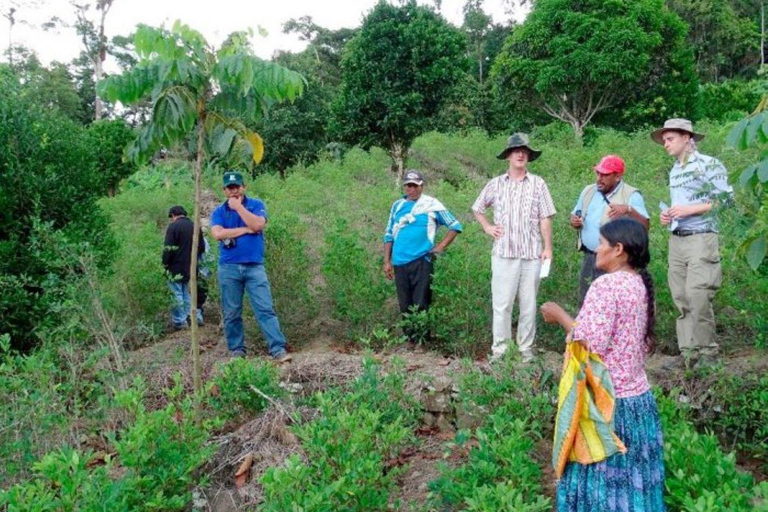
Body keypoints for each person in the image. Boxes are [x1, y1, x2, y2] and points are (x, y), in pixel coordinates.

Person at [541, 218, 665, 512]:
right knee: (634, 483)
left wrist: (559, 315)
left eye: (602, 243)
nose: (596, 249)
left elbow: (589, 344)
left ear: (619, 249)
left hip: (607, 405)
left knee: (600, 487)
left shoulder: (606, 286)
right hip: (638, 402)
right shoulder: (639, 284)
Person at [652, 118, 733, 366]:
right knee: (681, 297)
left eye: (670, 139)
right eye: (664, 140)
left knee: (697, 294)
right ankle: (688, 354)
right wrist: (668, 215)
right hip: (677, 239)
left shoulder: (708, 164)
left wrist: (689, 210)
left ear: (687, 138)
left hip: (701, 237)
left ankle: (708, 353)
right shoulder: (675, 169)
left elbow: (725, 201)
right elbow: (680, 207)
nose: (665, 144)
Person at [472, 133, 556, 363]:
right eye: (516, 150)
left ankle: (525, 350)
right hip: (504, 253)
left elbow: (546, 217)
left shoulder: (538, 183)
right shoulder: (496, 184)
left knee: (528, 304)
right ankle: (500, 351)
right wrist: (488, 227)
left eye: (524, 151)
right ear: (508, 155)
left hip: (531, 253)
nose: (520, 154)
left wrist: (547, 247)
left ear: (528, 155)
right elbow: (478, 208)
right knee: (502, 304)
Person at [210, 171, 292, 362]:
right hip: (229, 267)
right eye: (230, 188)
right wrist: (244, 230)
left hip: (254, 267)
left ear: (244, 187)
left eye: (237, 187)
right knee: (231, 312)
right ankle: (237, 351)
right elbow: (217, 234)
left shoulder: (256, 205)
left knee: (265, 308)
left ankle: (277, 349)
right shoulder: (218, 212)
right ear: (224, 190)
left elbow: (257, 225)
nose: (234, 191)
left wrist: (239, 208)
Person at [383, 170, 462, 344]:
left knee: (421, 302)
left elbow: (454, 225)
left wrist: (440, 247)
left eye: (415, 185)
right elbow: (389, 233)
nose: (411, 189)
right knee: (405, 304)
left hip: (422, 260)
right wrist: (387, 261)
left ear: (421, 186)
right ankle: (409, 341)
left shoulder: (432, 205)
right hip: (399, 261)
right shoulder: (397, 206)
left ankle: (422, 341)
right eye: (408, 185)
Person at [570, 155, 649, 306]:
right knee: (586, 301)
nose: (599, 178)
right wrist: (574, 221)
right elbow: (576, 214)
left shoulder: (631, 195)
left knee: (611, 303)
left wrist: (628, 210)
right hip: (590, 257)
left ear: (618, 176)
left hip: (616, 262)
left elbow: (644, 227)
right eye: (598, 173)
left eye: (605, 174)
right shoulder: (589, 191)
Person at [163, 205, 205, 330]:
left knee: (176, 293)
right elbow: (201, 247)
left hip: (175, 267)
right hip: (191, 266)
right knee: (187, 293)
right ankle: (193, 317)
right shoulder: (195, 226)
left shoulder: (173, 227)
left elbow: (168, 249)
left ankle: (180, 321)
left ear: (173, 215)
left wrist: (164, 264)